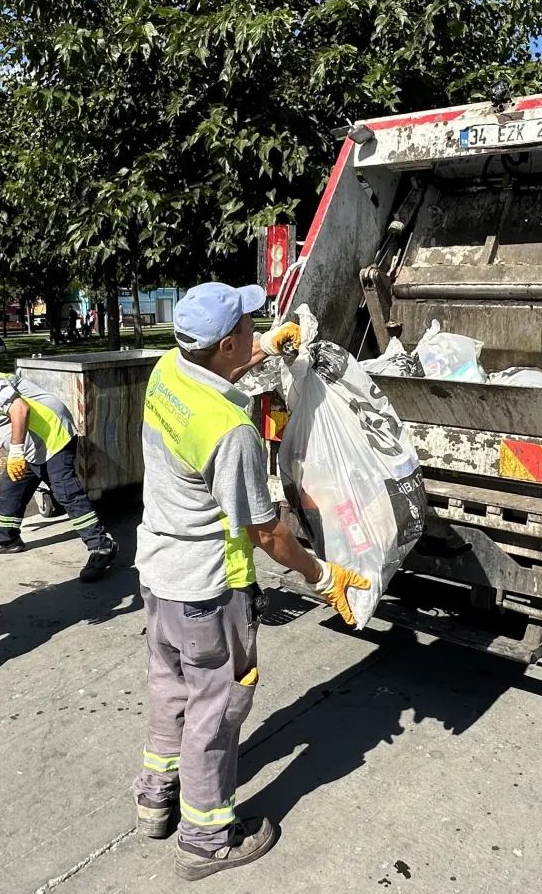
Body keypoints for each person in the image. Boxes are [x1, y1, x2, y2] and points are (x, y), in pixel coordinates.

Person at [130, 281, 371, 881]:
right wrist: (322, 574)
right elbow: (268, 534)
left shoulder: (167, 370)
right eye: (247, 325)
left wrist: (265, 344)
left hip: (158, 576)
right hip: (208, 592)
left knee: (170, 686)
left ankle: (155, 796)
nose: (253, 328)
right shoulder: (229, 432)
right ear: (227, 342)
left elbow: (217, 358)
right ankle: (207, 835)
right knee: (217, 706)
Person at [0, 361, 118, 581]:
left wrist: (15, 453)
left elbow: (19, 409)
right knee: (11, 485)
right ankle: (7, 538)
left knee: (67, 493)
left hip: (53, 440)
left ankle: (101, 546)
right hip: (33, 446)